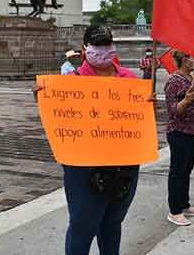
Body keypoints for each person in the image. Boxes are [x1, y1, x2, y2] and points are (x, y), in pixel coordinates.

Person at [36, 25, 138, 255]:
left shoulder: (129, 78)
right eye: (97, 45)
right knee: (83, 226)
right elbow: (60, 123)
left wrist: (148, 103)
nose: (103, 50)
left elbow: (140, 119)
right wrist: (45, 101)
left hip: (124, 163)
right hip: (84, 168)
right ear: (85, 49)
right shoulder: (70, 83)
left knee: (113, 223)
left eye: (107, 44)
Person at [164, 50, 194, 226]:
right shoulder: (174, 81)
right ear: (183, 60)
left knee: (187, 169)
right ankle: (174, 211)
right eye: (191, 58)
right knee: (177, 171)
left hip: (192, 131)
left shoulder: (190, 78)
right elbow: (173, 110)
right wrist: (187, 100)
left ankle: (184, 204)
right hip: (179, 131)